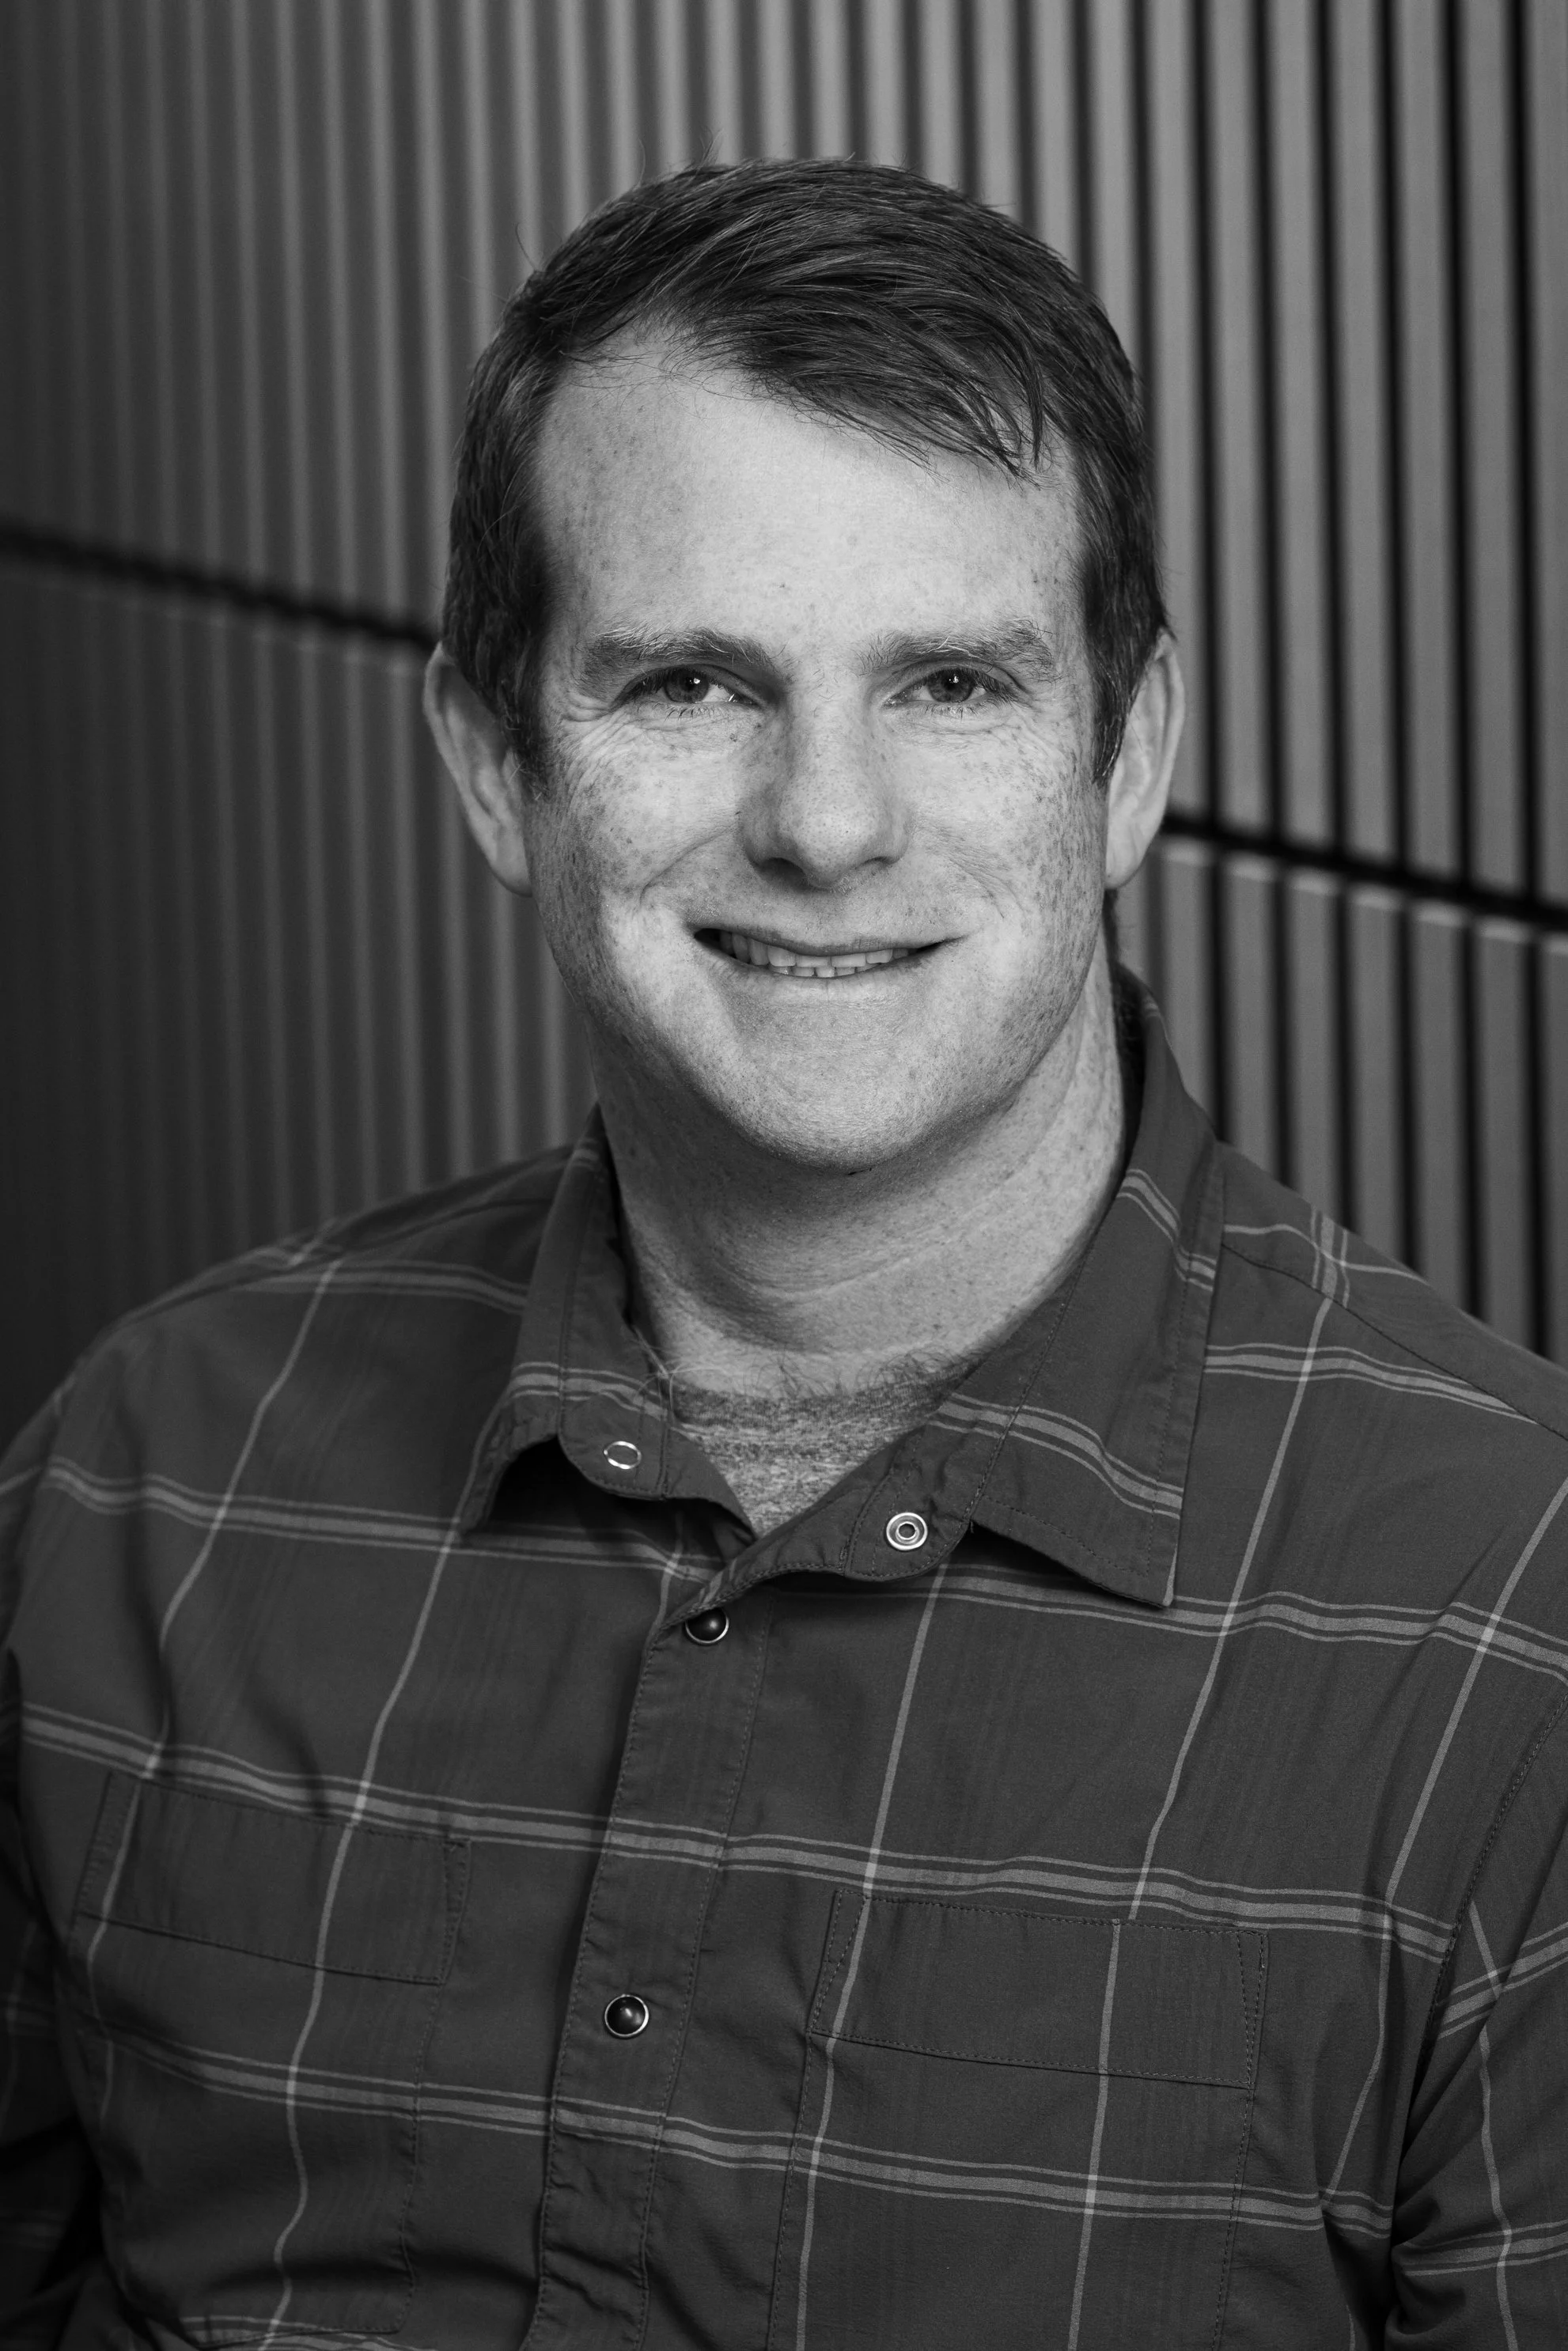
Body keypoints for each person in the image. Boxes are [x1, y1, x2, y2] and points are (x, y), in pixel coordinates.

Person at [2, 158, 1566, 2351]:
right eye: (689, 687)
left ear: (1126, 758)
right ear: (490, 761)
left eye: (944, 682)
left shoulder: (1517, 1624)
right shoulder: (140, 1484)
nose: (824, 823)